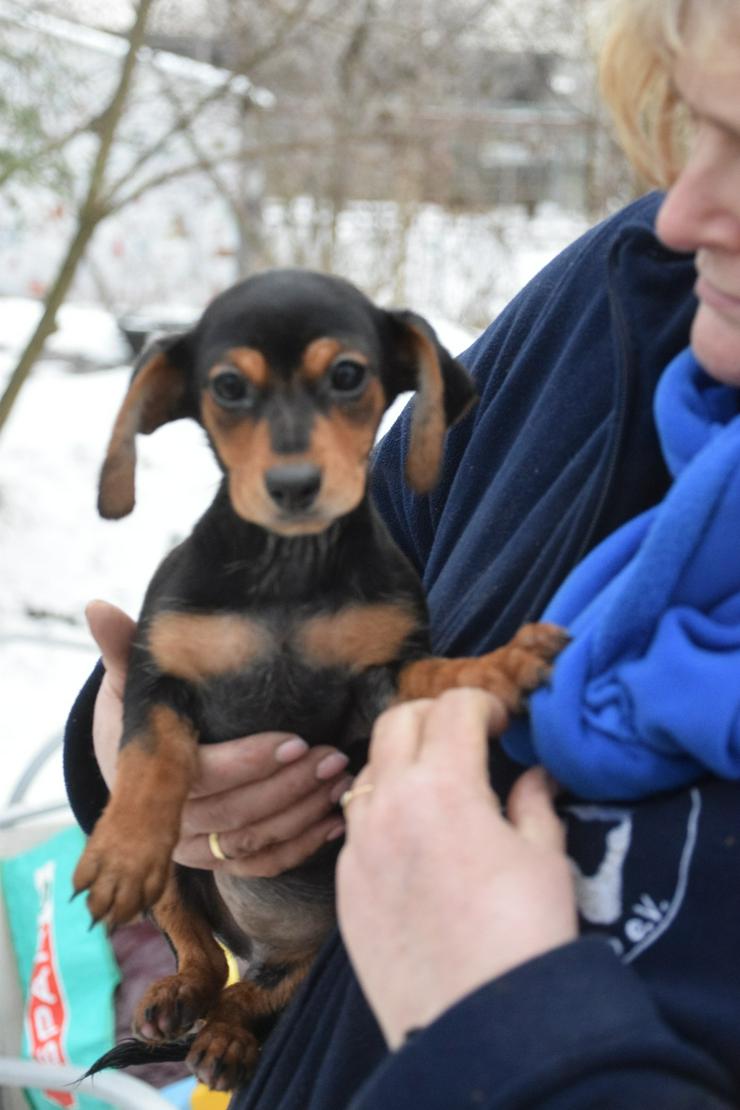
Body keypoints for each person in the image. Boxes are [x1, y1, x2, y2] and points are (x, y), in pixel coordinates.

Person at [63, 0, 740, 1104]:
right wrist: (141, 760)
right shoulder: (616, 302)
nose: (682, 212)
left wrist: (504, 1020)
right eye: (693, 127)